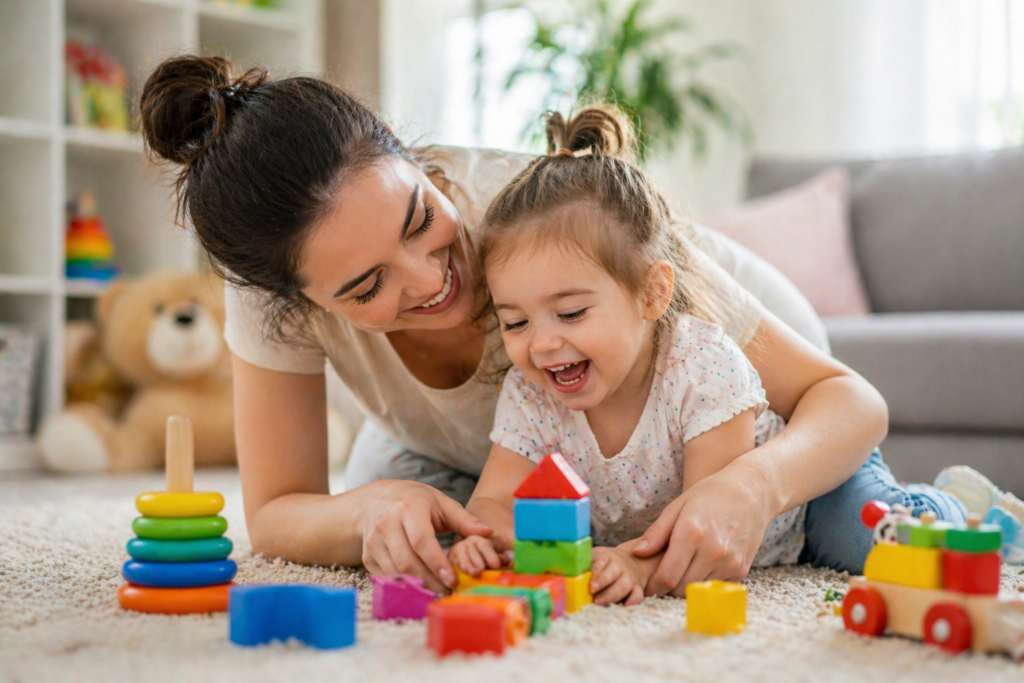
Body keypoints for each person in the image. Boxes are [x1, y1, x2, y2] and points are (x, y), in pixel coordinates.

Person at [138, 54, 957, 597]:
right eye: (366, 285)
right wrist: (369, 511)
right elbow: (280, 509)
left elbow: (844, 399)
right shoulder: (271, 286)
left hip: (731, 385)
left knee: (856, 522)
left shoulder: (548, 225)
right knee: (409, 516)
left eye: (420, 218)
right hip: (532, 448)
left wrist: (750, 484)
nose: (433, 280)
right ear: (301, 300)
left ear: (417, 165)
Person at [447, 106, 966, 604]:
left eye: (572, 313)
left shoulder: (700, 364)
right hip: (735, 535)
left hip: (807, 500)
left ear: (652, 294)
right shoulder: (530, 393)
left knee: (873, 542)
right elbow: (492, 503)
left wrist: (639, 568)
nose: (540, 344)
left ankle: (960, 505)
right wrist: (485, 542)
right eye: (515, 322)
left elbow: (707, 519)